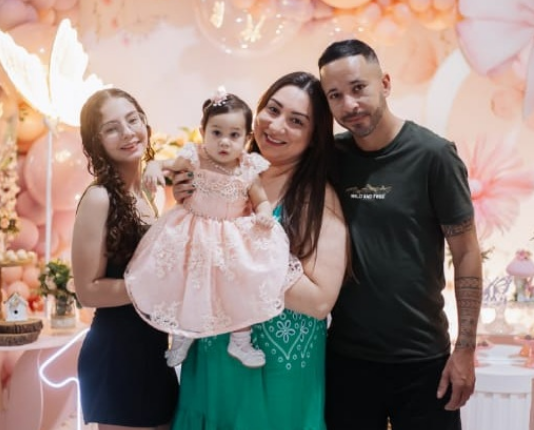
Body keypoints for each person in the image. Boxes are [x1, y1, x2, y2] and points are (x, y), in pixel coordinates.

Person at [318, 39, 483, 430]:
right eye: (335, 95)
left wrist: (465, 350)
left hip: (423, 362)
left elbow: (466, 252)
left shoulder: (434, 156)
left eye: (358, 88)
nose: (349, 105)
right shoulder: (331, 158)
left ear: (385, 83)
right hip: (347, 362)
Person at [170, 71, 348, 430]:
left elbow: (319, 301)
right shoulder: (225, 173)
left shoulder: (316, 197)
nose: (277, 126)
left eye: (296, 121)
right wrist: (190, 206)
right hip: (213, 350)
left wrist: (239, 254)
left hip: (276, 366)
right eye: (273, 110)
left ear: (314, 137)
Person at [124, 89, 302, 369]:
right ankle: (181, 335)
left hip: (230, 237)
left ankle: (240, 340)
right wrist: (154, 167)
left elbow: (261, 200)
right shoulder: (194, 157)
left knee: (239, 286)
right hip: (191, 231)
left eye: (234, 135)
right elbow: (165, 164)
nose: (224, 142)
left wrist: (265, 215)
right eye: (216, 133)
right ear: (202, 132)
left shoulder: (247, 169)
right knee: (186, 283)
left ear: (247, 138)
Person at [71, 88, 180, 430]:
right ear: (96, 142)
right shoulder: (99, 198)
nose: (128, 133)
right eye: (112, 128)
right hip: (116, 356)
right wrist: (150, 286)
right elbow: (87, 291)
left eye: (133, 120)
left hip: (154, 350)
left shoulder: (148, 193)